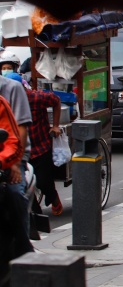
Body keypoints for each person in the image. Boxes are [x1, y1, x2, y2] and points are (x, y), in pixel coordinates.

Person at [6, 73, 63, 215]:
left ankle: (54, 199)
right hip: (16, 149)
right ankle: (32, 211)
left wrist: (55, 125)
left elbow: (56, 100)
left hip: (40, 146)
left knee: (44, 181)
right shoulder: (5, 102)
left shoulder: (36, 97)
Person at [0, 74, 33, 256]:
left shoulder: (8, 94)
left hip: (9, 160)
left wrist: (12, 162)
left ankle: (24, 249)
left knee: (14, 193)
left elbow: (15, 135)